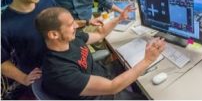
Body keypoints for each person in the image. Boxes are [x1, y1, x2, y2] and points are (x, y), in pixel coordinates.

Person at [35, 6, 165, 99]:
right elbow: (112, 87)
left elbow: (100, 33)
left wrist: (119, 19)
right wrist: (148, 60)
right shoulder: (59, 72)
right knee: (150, 95)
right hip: (100, 95)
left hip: (103, 72)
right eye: (70, 25)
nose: (75, 26)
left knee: (143, 71)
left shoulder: (71, 39)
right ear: (53, 34)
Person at [1, 0, 57, 98]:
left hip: (66, 64)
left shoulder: (48, 2)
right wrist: (24, 78)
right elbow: (2, 61)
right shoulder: (4, 25)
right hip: (43, 79)